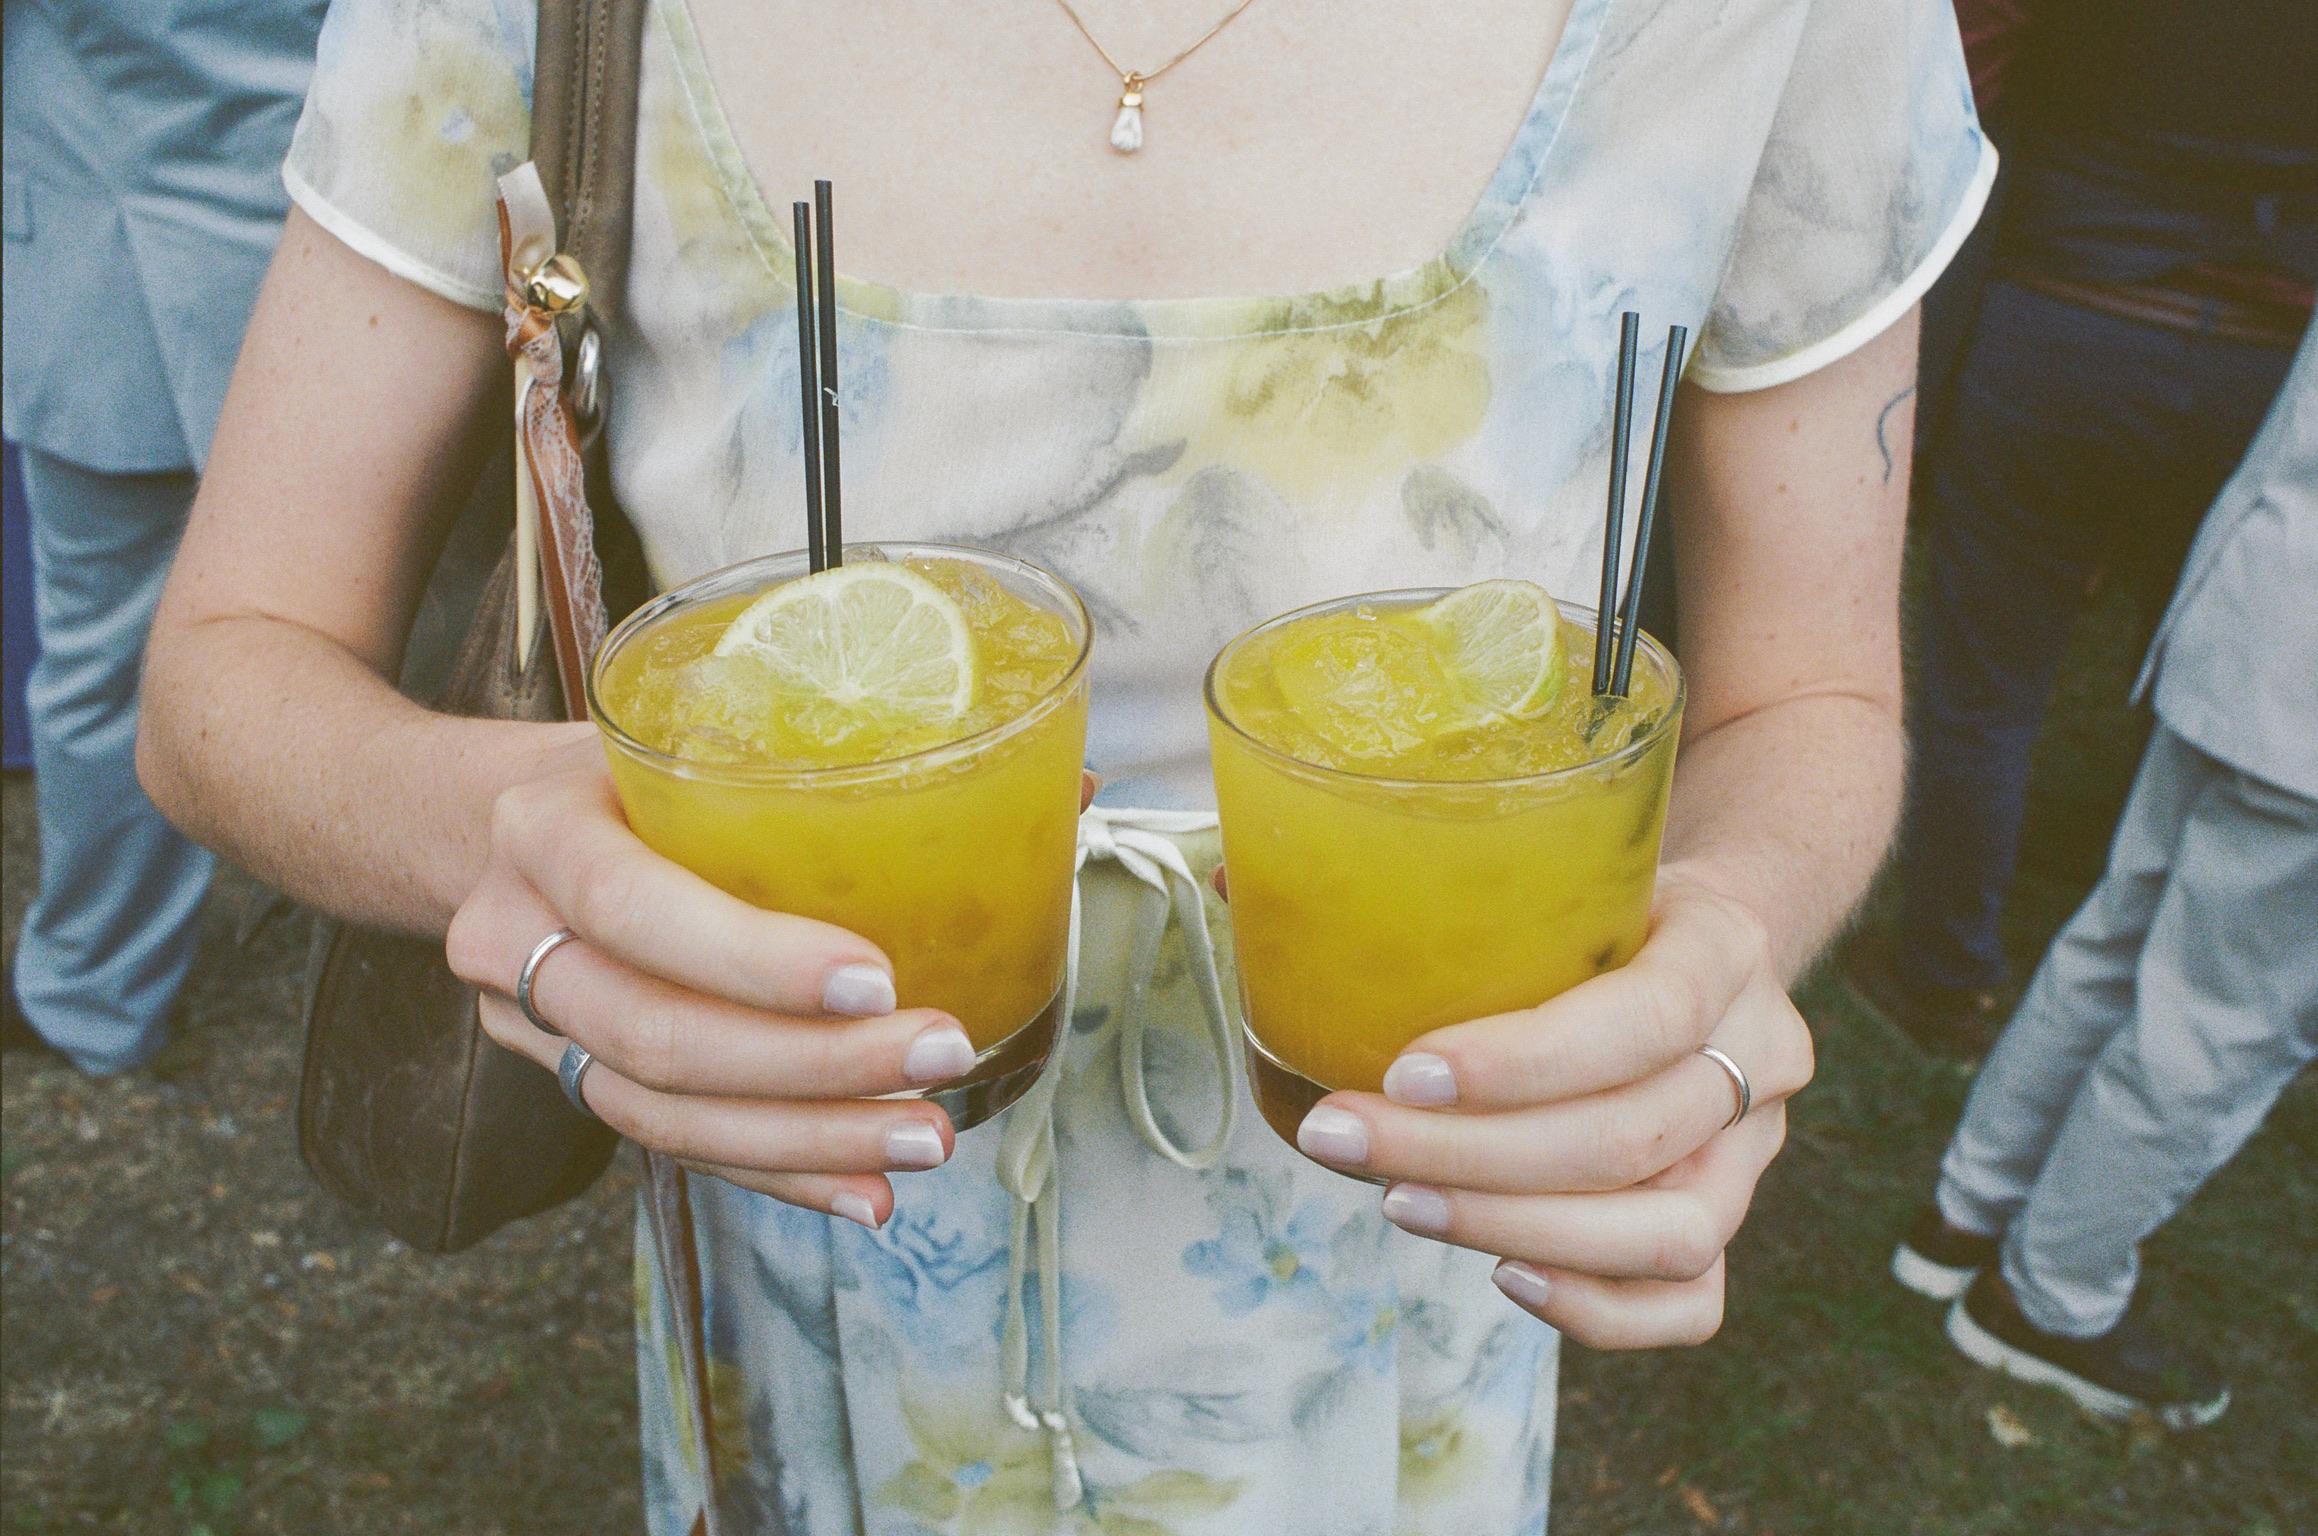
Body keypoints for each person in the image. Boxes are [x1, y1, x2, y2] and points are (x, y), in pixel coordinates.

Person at [135, 0, 1990, 1527]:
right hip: (813, 1233)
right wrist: (509, 834)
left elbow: (1806, 695)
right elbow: (226, 670)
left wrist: (1712, 950)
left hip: (1415, 1229)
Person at [1852, 0, 2318, 1054]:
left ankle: (1941, 975)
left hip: (2068, 317)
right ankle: (2148, 989)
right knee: (2195, 681)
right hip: (2264, 356)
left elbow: (1963, 70)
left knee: (1985, 687)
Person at [1891, 318, 2317, 1431]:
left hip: (2251, 602)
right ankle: (2047, 1298)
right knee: (2216, 1028)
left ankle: (1966, 1215)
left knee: (2119, 939)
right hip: (2298, 715)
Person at [0, 0, 329, 1073]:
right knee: (415, 648)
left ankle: (94, 991)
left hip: (112, 280)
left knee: (105, 660)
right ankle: (422, 995)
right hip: (370, 262)